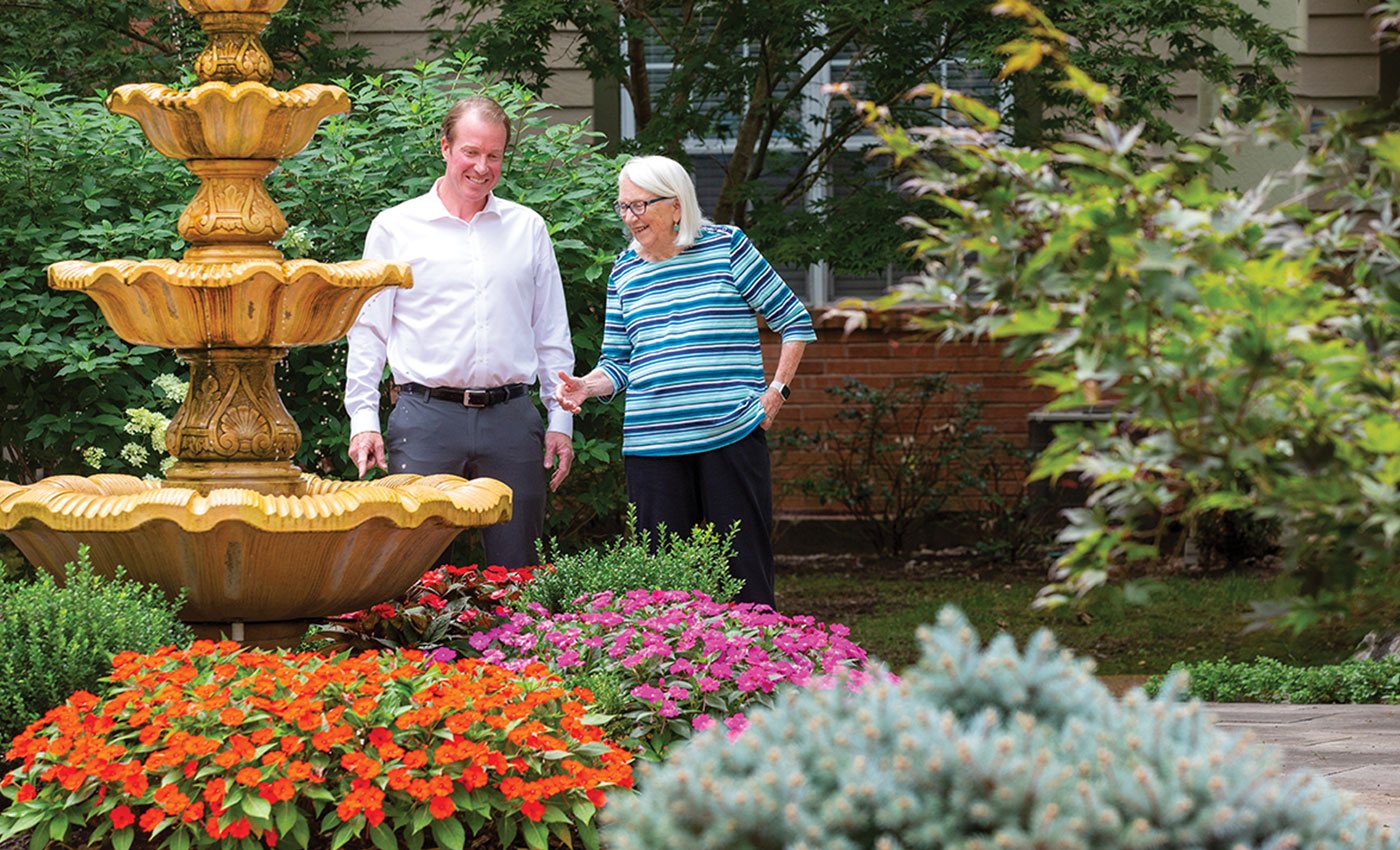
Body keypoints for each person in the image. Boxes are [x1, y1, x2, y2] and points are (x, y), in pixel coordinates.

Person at [554, 155, 814, 608]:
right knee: (662, 584)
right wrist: (585, 386)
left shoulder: (727, 247)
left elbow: (793, 321)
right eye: (624, 208)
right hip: (652, 448)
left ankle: (757, 673)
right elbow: (617, 363)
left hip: (729, 437)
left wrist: (776, 393)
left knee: (744, 574)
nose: (631, 218)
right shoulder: (624, 272)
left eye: (640, 206)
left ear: (675, 206)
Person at [344, 95, 575, 569]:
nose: (482, 166)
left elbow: (551, 332)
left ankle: (521, 647)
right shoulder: (395, 228)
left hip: (513, 422)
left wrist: (561, 420)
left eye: (494, 155)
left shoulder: (527, 228)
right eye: (471, 152)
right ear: (445, 147)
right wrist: (363, 419)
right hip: (425, 419)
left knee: (519, 575)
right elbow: (368, 331)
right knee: (415, 576)